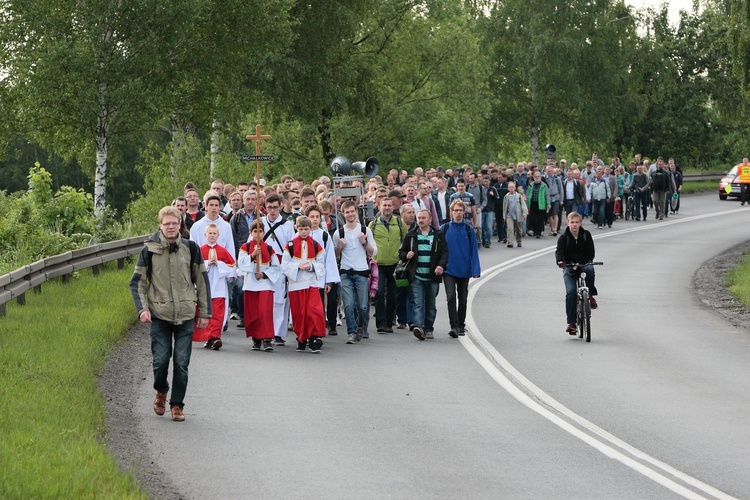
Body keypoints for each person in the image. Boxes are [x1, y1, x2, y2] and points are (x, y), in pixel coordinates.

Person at [129, 206, 211, 422]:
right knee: (161, 360)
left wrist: (204, 312)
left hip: (185, 314)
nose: (171, 227)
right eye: (167, 223)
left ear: (180, 224)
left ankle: (177, 405)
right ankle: (161, 391)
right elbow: (137, 283)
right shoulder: (149, 250)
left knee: (182, 363)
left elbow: (201, 281)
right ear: (160, 226)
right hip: (160, 314)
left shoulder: (191, 248)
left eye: (175, 223)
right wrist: (142, 309)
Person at [399, 209, 448, 341]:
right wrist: (406, 255)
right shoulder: (411, 235)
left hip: (432, 276)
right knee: (418, 303)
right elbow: (401, 252)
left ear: (430, 219)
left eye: (423, 218)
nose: (420, 220)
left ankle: (429, 329)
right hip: (417, 276)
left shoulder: (437, 235)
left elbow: (444, 253)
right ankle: (419, 327)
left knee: (431, 304)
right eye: (419, 218)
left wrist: (440, 266)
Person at [282, 216, 328, 353]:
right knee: (299, 313)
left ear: (310, 229)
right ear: (296, 228)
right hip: (296, 285)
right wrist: (297, 266)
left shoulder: (316, 245)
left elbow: (321, 263)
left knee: (314, 310)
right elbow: (284, 265)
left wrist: (311, 266)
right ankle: (301, 338)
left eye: (306, 229)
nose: (303, 232)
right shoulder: (290, 246)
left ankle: (314, 337)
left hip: (311, 283)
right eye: (301, 229)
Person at [334, 200, 377, 343]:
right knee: (348, 304)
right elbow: (335, 255)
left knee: (363, 306)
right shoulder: (338, 233)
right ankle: (351, 332)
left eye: (352, 211)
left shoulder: (365, 230)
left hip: (361, 272)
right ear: (343, 214)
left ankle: (360, 326)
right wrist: (339, 246)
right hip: (346, 271)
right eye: (347, 212)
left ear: (356, 212)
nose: (350, 214)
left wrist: (364, 242)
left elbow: (374, 252)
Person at [237, 221, 280, 352]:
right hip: (251, 284)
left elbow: (277, 267)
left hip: (265, 284)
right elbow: (241, 264)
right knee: (253, 312)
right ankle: (256, 338)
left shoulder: (269, 249)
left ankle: (267, 338)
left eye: (260, 231)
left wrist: (264, 274)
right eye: (255, 231)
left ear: (263, 233)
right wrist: (253, 255)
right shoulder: (245, 247)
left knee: (264, 311)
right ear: (251, 233)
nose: (257, 234)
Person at [192, 224, 236, 350]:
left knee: (217, 313)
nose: (212, 235)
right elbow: (193, 267)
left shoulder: (222, 251)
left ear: (218, 235)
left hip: (219, 288)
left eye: (214, 233)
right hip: (204, 288)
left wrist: (219, 264)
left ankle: (216, 337)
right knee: (204, 313)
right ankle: (208, 338)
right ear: (205, 235)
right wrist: (206, 263)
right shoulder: (200, 250)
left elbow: (232, 267)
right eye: (210, 233)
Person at [441, 200, 481, 338]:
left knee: (462, 299)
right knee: (451, 297)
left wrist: (476, 269)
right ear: (451, 212)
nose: (458, 213)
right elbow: (439, 249)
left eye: (460, 210)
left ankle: (461, 325)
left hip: (464, 269)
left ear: (464, 212)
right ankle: (454, 326)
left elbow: (473, 250)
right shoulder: (444, 228)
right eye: (455, 210)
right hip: (448, 269)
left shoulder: (468, 229)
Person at [555, 212, 598, 335]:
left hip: (583, 264)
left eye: (577, 222)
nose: (574, 225)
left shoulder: (586, 235)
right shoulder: (563, 238)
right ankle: (572, 323)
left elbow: (591, 253)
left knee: (590, 270)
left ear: (580, 223)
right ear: (568, 223)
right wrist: (560, 262)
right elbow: (559, 252)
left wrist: (580, 263)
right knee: (571, 292)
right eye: (572, 222)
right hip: (569, 267)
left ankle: (590, 295)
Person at [261, 194, 296, 346]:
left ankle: (278, 333)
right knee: (265, 299)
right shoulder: (260, 223)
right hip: (264, 264)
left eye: (275, 207)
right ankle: (265, 331)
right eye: (269, 208)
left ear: (281, 206)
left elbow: (291, 248)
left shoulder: (287, 225)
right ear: (265, 208)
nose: (272, 211)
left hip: (281, 265)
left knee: (280, 300)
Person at [369, 197, 406, 334]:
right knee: (378, 293)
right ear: (380, 207)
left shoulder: (399, 223)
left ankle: (390, 322)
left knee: (392, 295)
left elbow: (405, 239)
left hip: (395, 263)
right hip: (379, 264)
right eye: (384, 205)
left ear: (393, 207)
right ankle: (381, 323)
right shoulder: (373, 225)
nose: (387, 208)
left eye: (389, 205)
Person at [503, 181, 528, 248]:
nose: (511, 188)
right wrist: (504, 216)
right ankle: (510, 242)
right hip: (509, 215)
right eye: (510, 187)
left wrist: (524, 213)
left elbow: (523, 205)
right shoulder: (506, 196)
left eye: (512, 187)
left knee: (518, 230)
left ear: (515, 188)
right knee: (510, 228)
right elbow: (504, 207)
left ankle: (519, 241)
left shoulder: (519, 196)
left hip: (518, 215)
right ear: (508, 188)